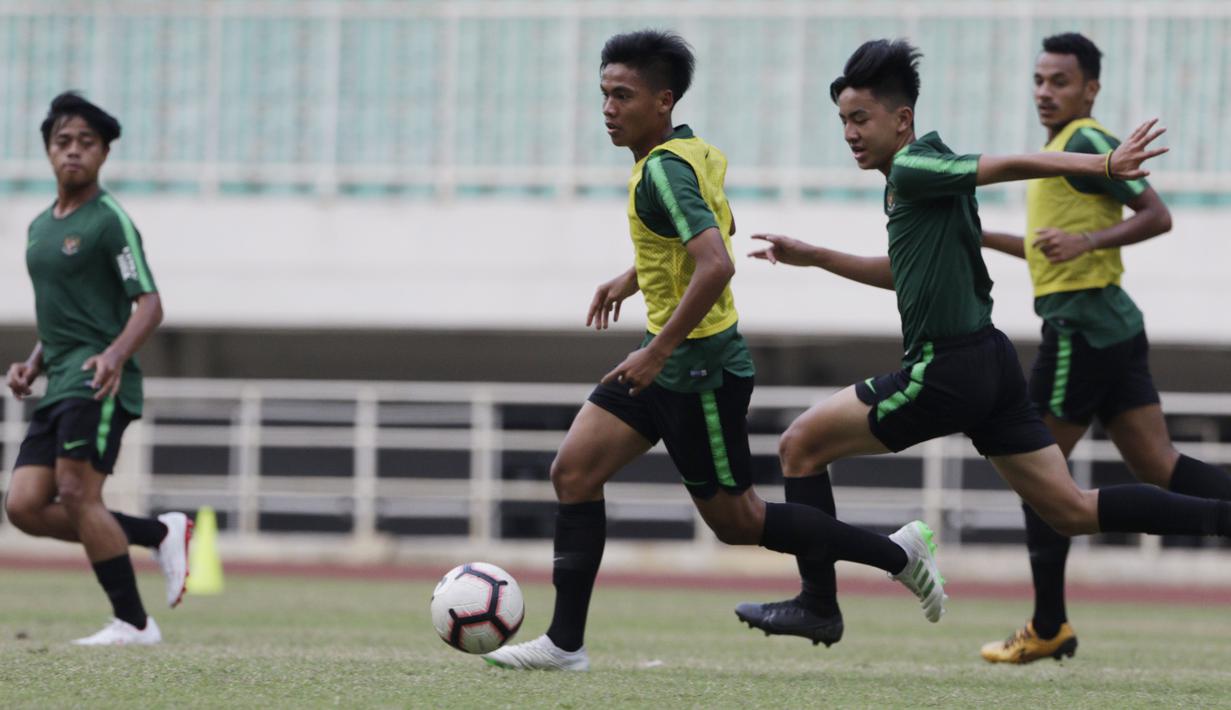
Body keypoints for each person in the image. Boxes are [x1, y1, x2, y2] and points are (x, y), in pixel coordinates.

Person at [735, 38, 1231, 648]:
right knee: (1070, 509)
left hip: (945, 368)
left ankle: (819, 603)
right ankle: (1221, 517)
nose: (849, 133)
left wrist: (1100, 167)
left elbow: (1000, 165)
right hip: (989, 362)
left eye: (860, 119)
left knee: (799, 446)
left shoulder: (918, 167)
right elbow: (903, 272)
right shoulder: (920, 175)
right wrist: (815, 257)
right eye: (842, 120)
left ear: (902, 118)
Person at [483, 30, 946, 672]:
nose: (609, 109)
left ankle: (900, 556)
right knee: (574, 472)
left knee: (738, 521)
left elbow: (716, 263)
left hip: (698, 366)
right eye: (604, 95)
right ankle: (565, 645)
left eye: (623, 96)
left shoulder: (664, 169)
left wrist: (655, 351)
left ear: (662, 100)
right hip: (666, 356)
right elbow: (710, 227)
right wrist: (633, 276)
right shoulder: (690, 153)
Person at [977, 33, 1231, 664]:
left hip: (1082, 330)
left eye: (1059, 81)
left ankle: (1048, 624)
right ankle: (1049, 623)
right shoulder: (1062, 149)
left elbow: (1157, 215)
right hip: (1113, 325)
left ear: (1090, 88)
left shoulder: (1088, 141)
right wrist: (976, 235)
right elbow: (1050, 246)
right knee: (1159, 464)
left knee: (1041, 478)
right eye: (1038, 80)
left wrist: (1087, 247)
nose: (1044, 91)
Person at [4, 92, 191, 646]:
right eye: (63, 142)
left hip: (98, 379)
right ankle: (159, 532)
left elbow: (151, 304)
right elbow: (63, 315)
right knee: (24, 507)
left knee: (77, 493)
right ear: (48, 151)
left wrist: (113, 355)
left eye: (87, 142)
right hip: (58, 379)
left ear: (104, 153)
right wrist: (32, 363)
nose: (73, 152)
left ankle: (133, 623)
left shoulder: (109, 222)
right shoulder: (39, 228)